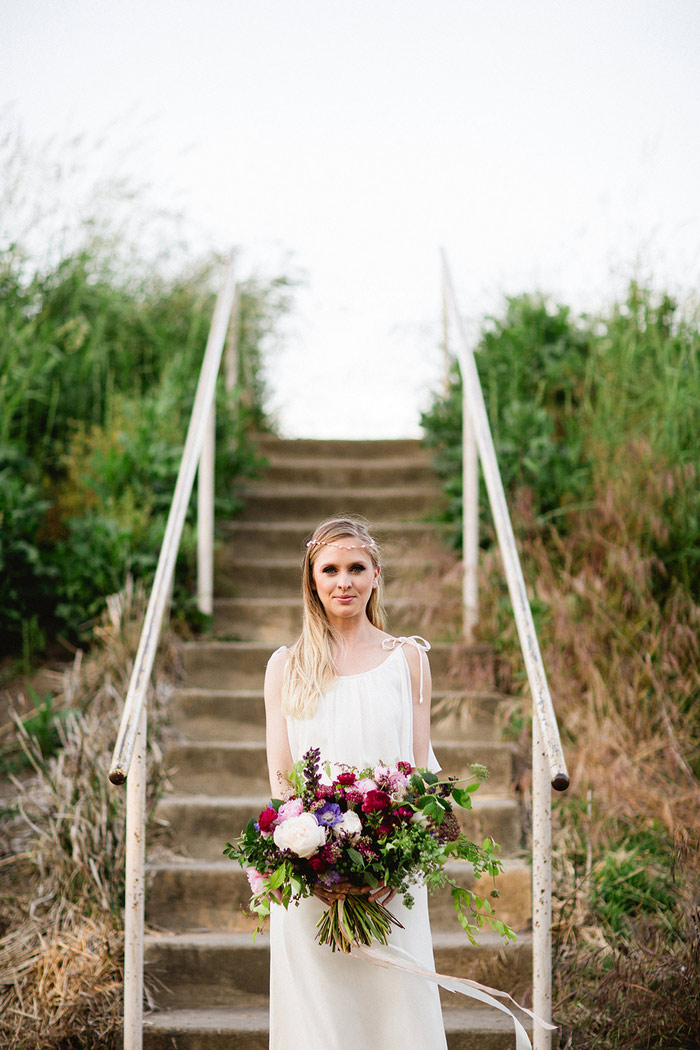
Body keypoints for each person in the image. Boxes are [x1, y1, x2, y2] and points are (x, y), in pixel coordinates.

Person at [264, 515, 448, 1050]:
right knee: (319, 1011)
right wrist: (308, 858)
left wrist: (400, 856)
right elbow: (282, 776)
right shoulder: (287, 666)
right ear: (312, 580)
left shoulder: (408, 659)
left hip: (392, 866)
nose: (343, 581)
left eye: (355, 568)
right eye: (330, 570)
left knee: (395, 1005)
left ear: (375, 575)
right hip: (310, 870)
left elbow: (420, 767)